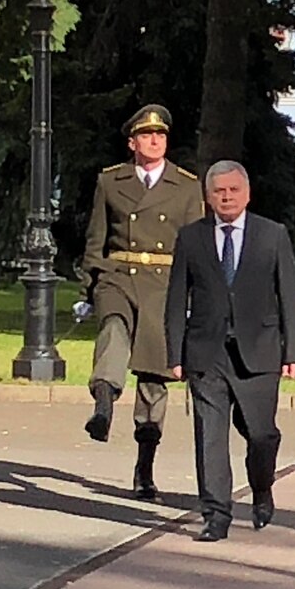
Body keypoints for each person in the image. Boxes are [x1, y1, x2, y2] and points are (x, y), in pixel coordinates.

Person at [164, 160, 295, 542]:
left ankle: (262, 487)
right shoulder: (191, 237)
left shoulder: (272, 235)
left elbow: (288, 296)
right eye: (219, 191)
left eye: (233, 190)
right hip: (206, 353)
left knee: (261, 435)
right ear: (208, 197)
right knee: (210, 436)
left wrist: (293, 351)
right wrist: (175, 353)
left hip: (258, 352)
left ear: (247, 194)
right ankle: (216, 514)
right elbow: (176, 298)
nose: (226, 197)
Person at [77, 104, 204, 500]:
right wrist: (88, 288)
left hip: (164, 285)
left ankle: (144, 468)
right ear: (132, 143)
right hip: (118, 274)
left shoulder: (186, 186)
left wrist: (194, 296)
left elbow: (195, 247)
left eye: (160, 135)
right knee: (114, 329)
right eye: (147, 135)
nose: (154, 141)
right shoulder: (110, 181)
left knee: (153, 379)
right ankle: (104, 400)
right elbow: (96, 239)